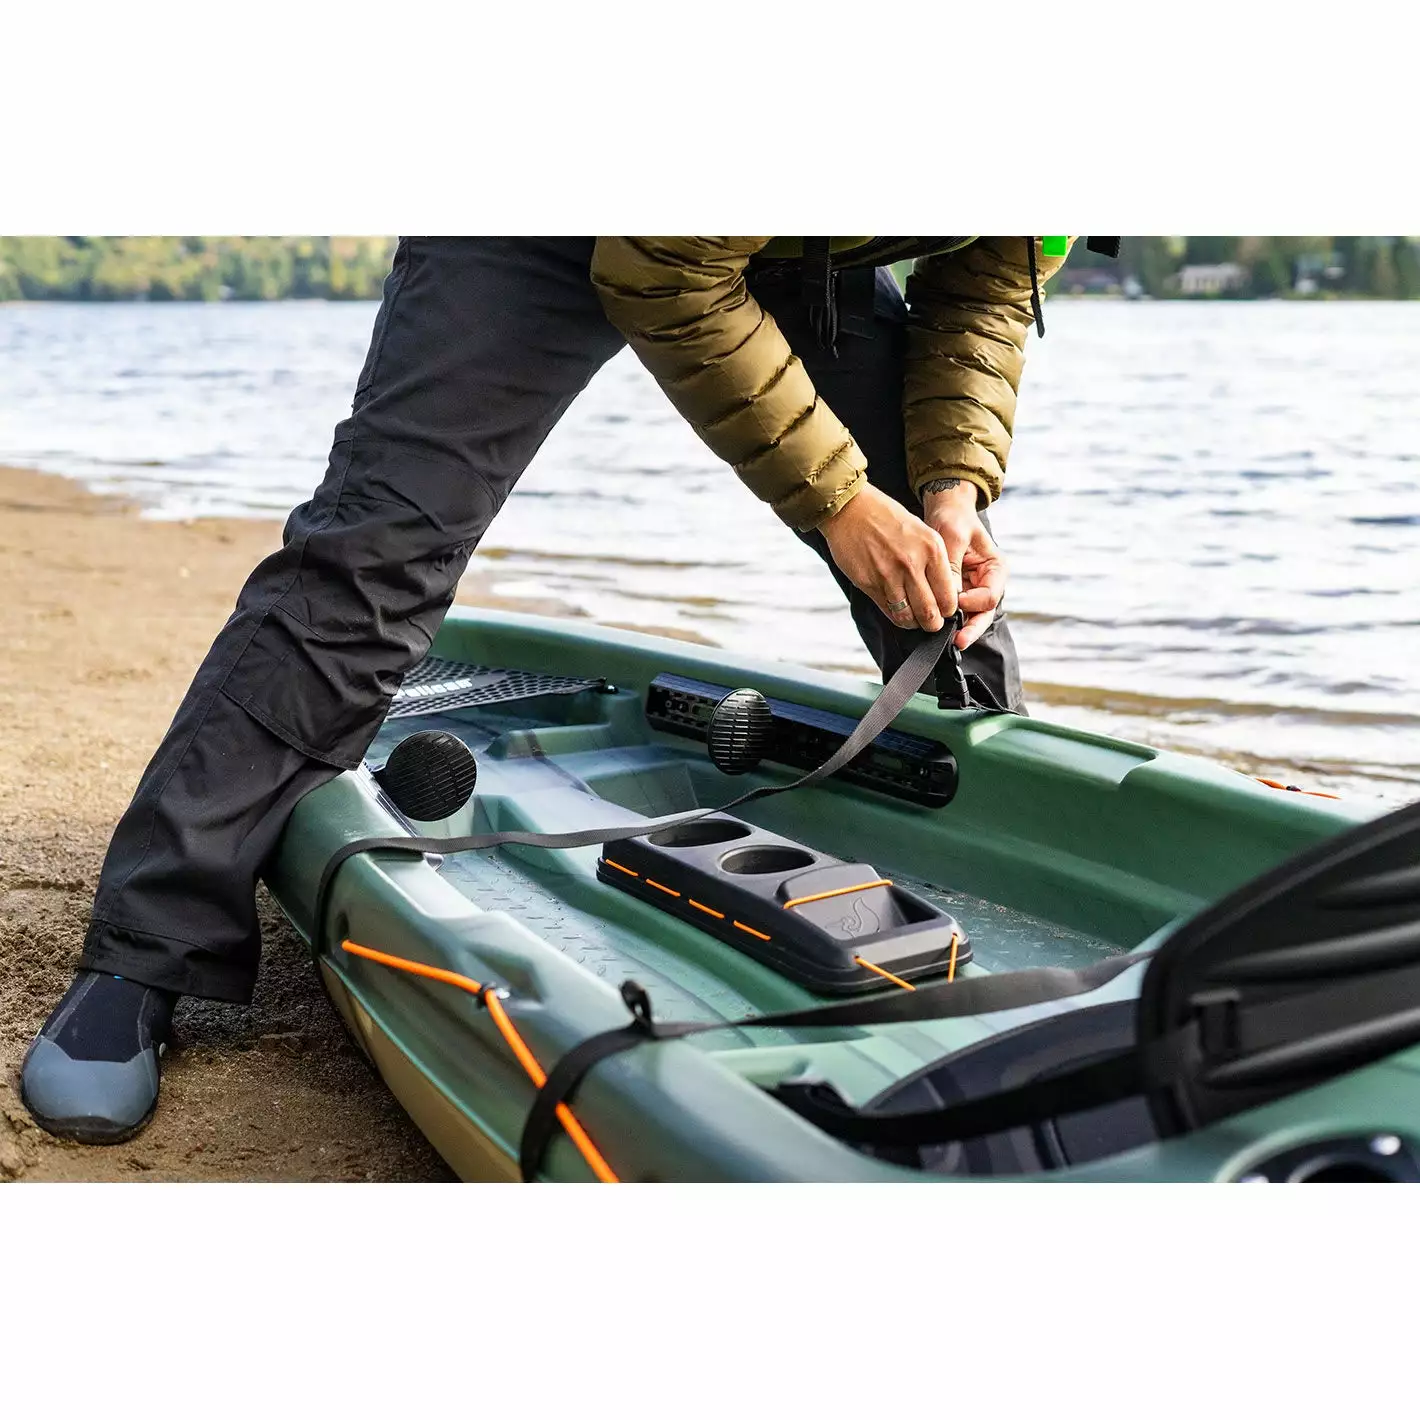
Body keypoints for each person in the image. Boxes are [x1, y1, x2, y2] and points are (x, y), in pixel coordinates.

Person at [20, 235, 1072, 1142]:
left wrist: (950, 488)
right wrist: (840, 502)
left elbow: (985, 281)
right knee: (376, 559)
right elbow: (659, 271)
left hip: (796, 252)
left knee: (943, 579)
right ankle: (145, 951)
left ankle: (1046, 883)